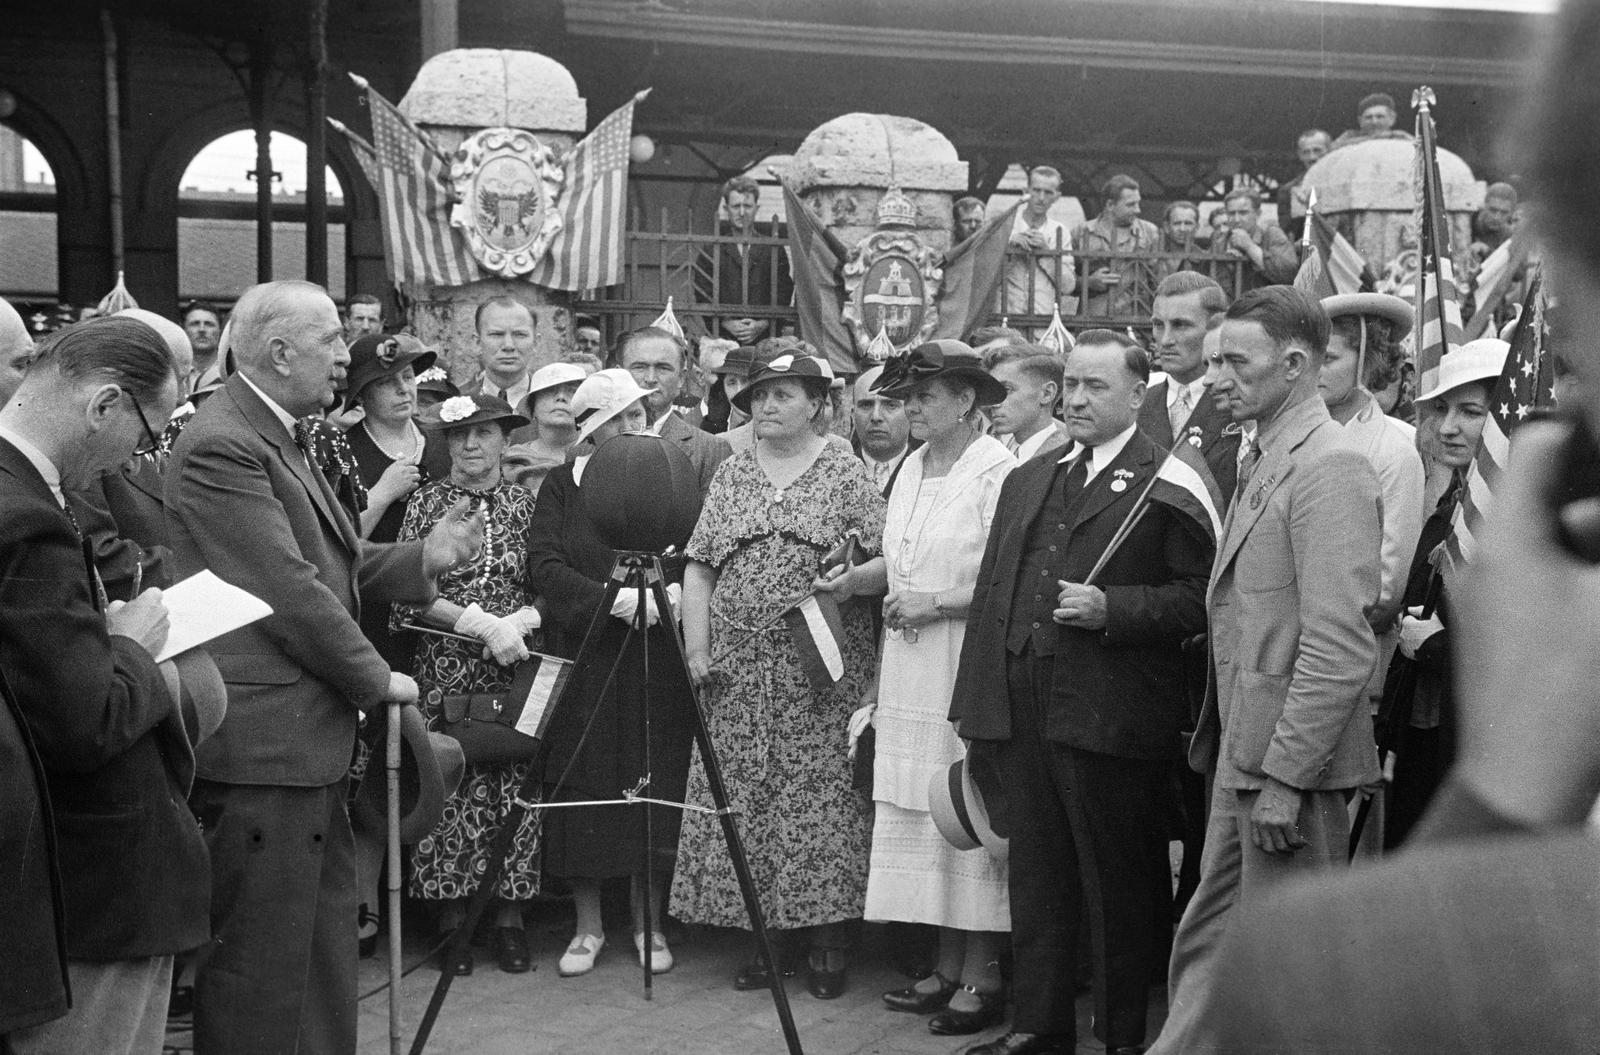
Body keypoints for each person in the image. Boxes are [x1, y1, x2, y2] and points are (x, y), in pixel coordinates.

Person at [166, 279, 482, 1055]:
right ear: (277, 353)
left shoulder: (279, 429)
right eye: (332, 341)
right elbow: (287, 592)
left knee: (318, 962)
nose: (348, 356)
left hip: (303, 745)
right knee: (263, 975)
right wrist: (380, 680)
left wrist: (424, 557)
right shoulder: (223, 443)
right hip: (264, 751)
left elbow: (332, 560)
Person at [949, 330, 1213, 1055]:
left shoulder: (1166, 481)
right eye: (1070, 382)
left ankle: (1122, 1036)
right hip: (1024, 699)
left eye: (1096, 386)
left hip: (1108, 710)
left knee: (1116, 883)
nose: (1077, 398)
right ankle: (1039, 1025)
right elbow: (992, 595)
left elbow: (1200, 599)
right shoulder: (1028, 477)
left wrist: (1114, 610)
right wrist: (978, 706)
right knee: (1036, 871)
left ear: (1138, 394)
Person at [1148, 287, 1383, 1055]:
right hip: (1244, 758)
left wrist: (1285, 776)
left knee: (1289, 983)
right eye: (1215, 360)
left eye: (1235, 362)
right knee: (1209, 951)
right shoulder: (1269, 451)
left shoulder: (1331, 465)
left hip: (1288, 771)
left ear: (1293, 364)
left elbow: (1339, 646)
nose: (1218, 377)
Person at [0, 316, 200, 1055]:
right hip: (95, 885)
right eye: (146, 435)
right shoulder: (25, 514)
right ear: (105, 404)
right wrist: (132, 646)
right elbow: (86, 723)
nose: (138, 456)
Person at [675, 349, 885, 999]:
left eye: (782, 394)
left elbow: (888, 560)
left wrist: (851, 582)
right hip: (740, 668)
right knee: (750, 793)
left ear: (818, 404)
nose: (765, 405)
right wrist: (698, 649)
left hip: (820, 663)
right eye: (759, 395)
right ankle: (767, 936)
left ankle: (826, 939)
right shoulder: (733, 472)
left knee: (819, 797)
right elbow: (700, 565)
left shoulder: (847, 470)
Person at [827, 341, 1016, 1036]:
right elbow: (899, 559)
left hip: (962, 660)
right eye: (904, 396)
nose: (909, 407)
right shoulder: (909, 465)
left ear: (967, 399)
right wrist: (857, 580)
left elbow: (1005, 580)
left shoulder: (998, 471)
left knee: (965, 805)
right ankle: (943, 962)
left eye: (924, 395)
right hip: (909, 664)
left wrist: (935, 602)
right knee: (921, 809)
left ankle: (984, 971)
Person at [529, 369, 698, 978]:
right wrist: (610, 602)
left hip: (655, 656)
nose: (632, 428)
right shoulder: (561, 486)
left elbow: (692, 552)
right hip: (588, 657)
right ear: (591, 429)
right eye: (618, 419)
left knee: (651, 774)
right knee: (585, 782)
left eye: (638, 415)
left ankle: (649, 919)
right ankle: (588, 926)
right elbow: (545, 565)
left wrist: (669, 597)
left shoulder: (671, 473)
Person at [393, 393, 544, 976]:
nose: (472, 445)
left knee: (510, 780)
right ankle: (451, 918)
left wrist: (521, 621)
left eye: (483, 433)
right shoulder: (425, 503)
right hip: (446, 658)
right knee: (449, 779)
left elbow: (542, 578)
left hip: (513, 659)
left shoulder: (523, 506)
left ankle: (508, 918)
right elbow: (409, 585)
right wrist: (474, 621)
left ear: (506, 441)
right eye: (459, 435)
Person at [1382, 338, 1508, 848]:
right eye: (1442, 409)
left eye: (1471, 411)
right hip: (1422, 737)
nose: (1450, 425)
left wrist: (1435, 648)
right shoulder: (1449, 505)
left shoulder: (1525, 523)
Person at [1318, 294, 1426, 734]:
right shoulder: (1283, 439)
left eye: (1328, 357)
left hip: (1351, 673)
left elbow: (1385, 591)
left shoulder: (1394, 451)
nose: (1313, 370)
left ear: (1366, 362)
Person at [1142, 272, 1240, 498]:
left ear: (1216, 327)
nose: (1165, 339)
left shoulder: (1239, 406)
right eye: (1158, 325)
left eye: (1180, 325)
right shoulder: (1136, 406)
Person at [613, 326, 731, 494]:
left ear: (681, 378)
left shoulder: (711, 451)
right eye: (639, 367)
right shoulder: (587, 446)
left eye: (663, 368)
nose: (651, 379)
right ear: (619, 374)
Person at [692, 175, 793, 346]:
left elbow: (784, 291)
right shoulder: (712, 249)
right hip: (722, 338)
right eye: (736, 206)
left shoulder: (772, 248)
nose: (741, 212)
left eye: (747, 206)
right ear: (726, 209)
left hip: (765, 339)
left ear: (756, 208)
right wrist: (727, 322)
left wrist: (762, 324)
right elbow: (702, 292)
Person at [1072, 174, 1162, 319]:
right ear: (1110, 205)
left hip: (1136, 319)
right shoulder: (1082, 232)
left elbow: (1159, 281)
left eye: (1138, 203)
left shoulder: (1149, 232)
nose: (1138, 210)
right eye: (1130, 205)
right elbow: (1064, 280)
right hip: (1094, 319)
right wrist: (1089, 282)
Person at [501, 361, 587, 493]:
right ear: (532, 407)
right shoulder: (513, 460)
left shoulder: (596, 454)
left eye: (572, 391)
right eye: (550, 392)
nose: (561, 398)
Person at [1006, 166, 1074, 320]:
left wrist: (1046, 253)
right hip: (1007, 316)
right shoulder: (1007, 226)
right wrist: (1009, 247)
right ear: (1026, 191)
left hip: (1043, 321)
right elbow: (986, 277)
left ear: (1057, 196)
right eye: (1036, 190)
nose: (1041, 197)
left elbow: (1068, 286)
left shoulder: (1060, 232)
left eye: (1048, 192)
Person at [983, 345, 1070, 461]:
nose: (994, 403)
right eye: (992, 391)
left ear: (1046, 393)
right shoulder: (999, 452)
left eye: (1006, 390)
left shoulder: (1064, 459)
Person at [1216, 189, 1299, 293]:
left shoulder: (1272, 235)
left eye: (1243, 213)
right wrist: (1228, 263)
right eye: (1231, 213)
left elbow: (1288, 273)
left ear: (1258, 213)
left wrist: (1250, 247)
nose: (1236, 219)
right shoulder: (1220, 242)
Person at [463, 296, 540, 407]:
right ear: (477, 343)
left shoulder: (552, 404)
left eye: (520, 334)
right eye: (496, 334)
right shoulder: (453, 403)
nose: (508, 346)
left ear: (536, 342)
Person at [1275, 129, 1332, 243]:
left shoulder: (1343, 184)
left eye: (1317, 150)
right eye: (1306, 152)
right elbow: (1288, 232)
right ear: (1300, 155)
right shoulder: (1288, 191)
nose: (1312, 157)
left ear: (1329, 151)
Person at [1332, 91, 1412, 149]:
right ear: (1360, 121)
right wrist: (1376, 137)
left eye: (1380, 116)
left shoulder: (1401, 136)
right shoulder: (1350, 135)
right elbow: (1332, 148)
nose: (1374, 122)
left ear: (1392, 119)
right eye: (1368, 117)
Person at [182, 302, 223, 392]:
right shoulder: (175, 372)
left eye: (209, 324)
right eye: (195, 324)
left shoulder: (228, 370)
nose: (202, 329)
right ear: (183, 329)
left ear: (220, 331)